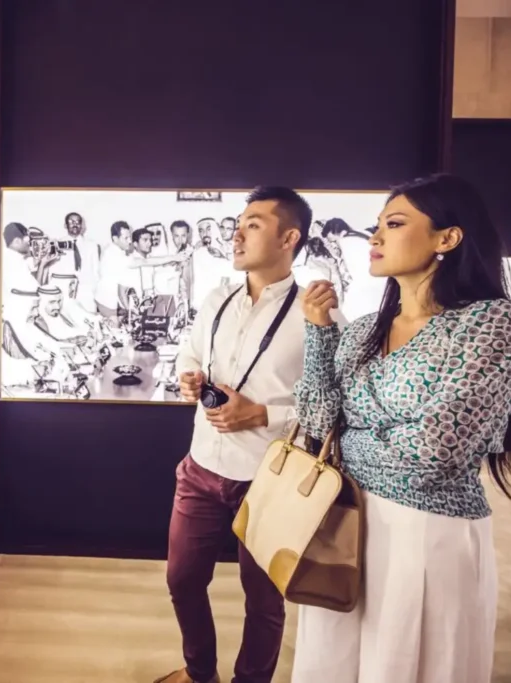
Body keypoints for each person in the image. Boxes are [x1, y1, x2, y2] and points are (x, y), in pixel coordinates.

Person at [292, 173, 511, 683]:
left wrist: (350, 436)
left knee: (411, 666)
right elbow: (315, 422)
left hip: (428, 533)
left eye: (394, 224)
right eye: (376, 226)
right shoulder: (360, 331)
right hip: (345, 520)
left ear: (448, 237)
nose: (374, 238)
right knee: (332, 665)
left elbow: (433, 456)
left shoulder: (489, 323)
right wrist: (318, 335)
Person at [158, 187, 330, 683]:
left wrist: (262, 415)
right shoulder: (217, 299)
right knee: (182, 579)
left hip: (270, 480)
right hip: (200, 467)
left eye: (253, 223)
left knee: (264, 599)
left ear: (289, 237)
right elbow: (189, 354)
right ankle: (199, 674)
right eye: (239, 221)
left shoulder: (316, 314)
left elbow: (328, 407)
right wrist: (188, 375)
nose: (237, 231)